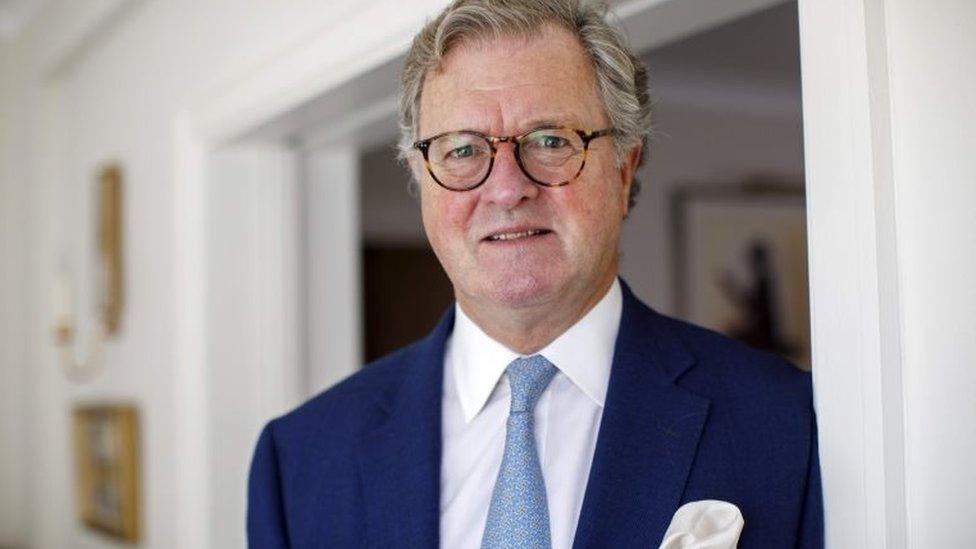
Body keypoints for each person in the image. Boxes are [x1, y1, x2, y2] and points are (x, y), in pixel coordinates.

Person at [247, 0, 823, 547]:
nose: (506, 189)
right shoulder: (300, 461)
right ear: (420, 177)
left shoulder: (788, 426)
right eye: (463, 150)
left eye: (550, 140)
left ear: (624, 169)